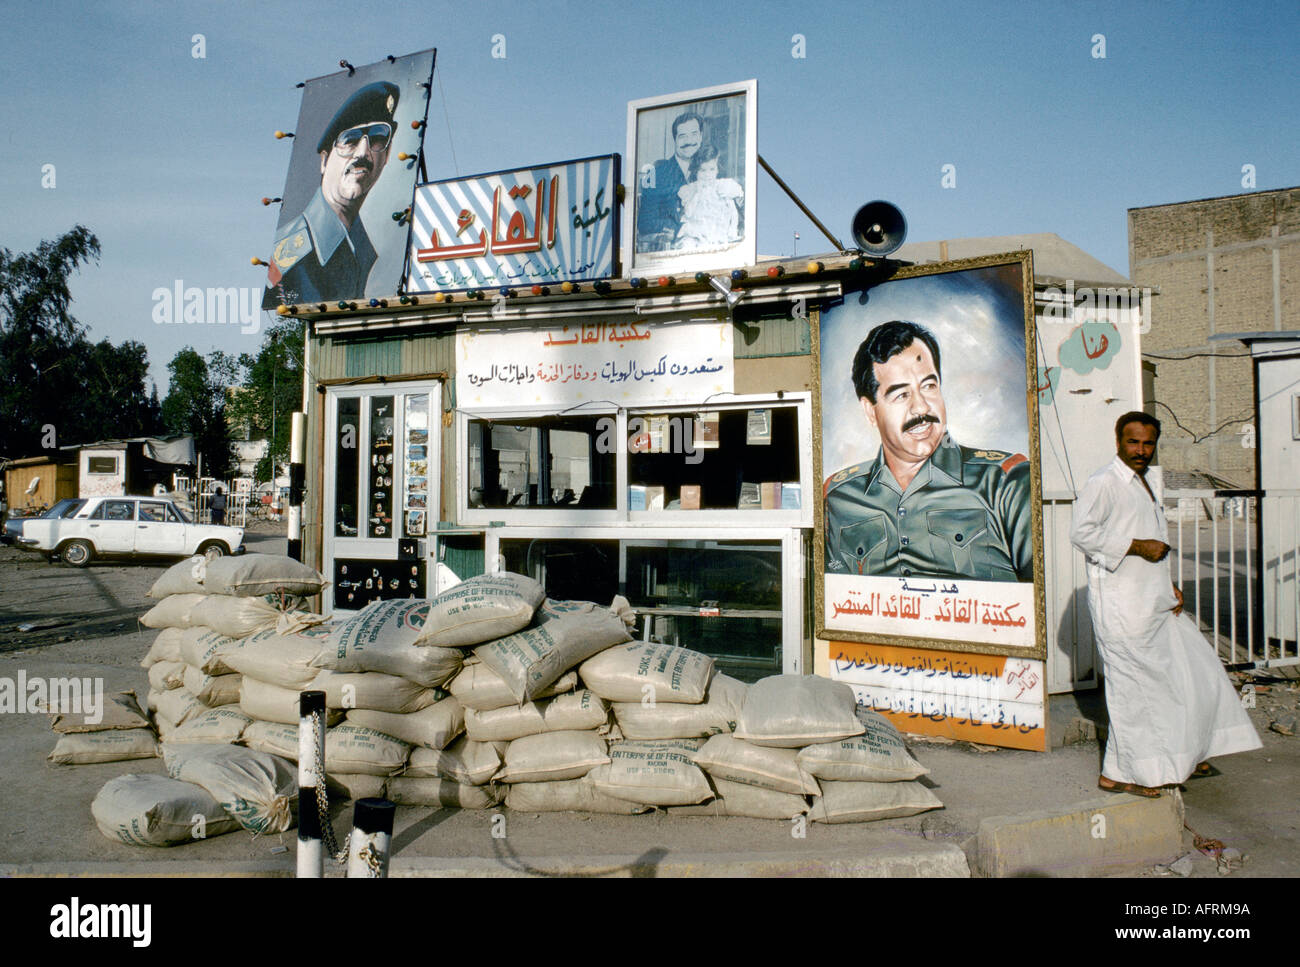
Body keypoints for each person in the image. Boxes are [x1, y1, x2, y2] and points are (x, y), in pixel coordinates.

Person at [1070, 412, 1260, 797]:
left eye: (1148, 443)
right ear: (1118, 441)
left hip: (1154, 602)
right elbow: (1082, 533)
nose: (1141, 450)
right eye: (1133, 442)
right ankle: (1121, 774)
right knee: (1133, 690)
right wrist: (1139, 548)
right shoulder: (1104, 482)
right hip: (1123, 608)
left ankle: (1183, 753)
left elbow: (1153, 535)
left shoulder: (1144, 482)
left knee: (1194, 675)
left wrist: (1168, 585)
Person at [824, 320, 1033, 581]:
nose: (921, 408)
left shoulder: (1005, 484)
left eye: (929, 386)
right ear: (870, 410)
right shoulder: (839, 497)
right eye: (901, 395)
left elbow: (1039, 600)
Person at [266, 81, 399, 305]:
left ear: (387, 155)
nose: (363, 154)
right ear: (325, 161)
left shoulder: (364, 248)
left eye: (377, 138)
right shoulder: (291, 256)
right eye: (350, 140)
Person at [635, 111, 705, 250]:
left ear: (701, 136)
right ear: (675, 139)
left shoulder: (711, 170)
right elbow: (644, 223)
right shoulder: (657, 174)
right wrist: (677, 228)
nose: (689, 141)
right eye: (682, 136)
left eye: (694, 134)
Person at [674, 144, 743, 249]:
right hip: (696, 235)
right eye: (703, 170)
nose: (708, 174)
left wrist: (734, 195)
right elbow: (688, 213)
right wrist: (697, 193)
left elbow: (738, 199)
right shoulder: (691, 189)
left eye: (712, 169)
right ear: (696, 171)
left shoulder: (724, 185)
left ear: (717, 170)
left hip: (720, 235)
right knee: (687, 245)